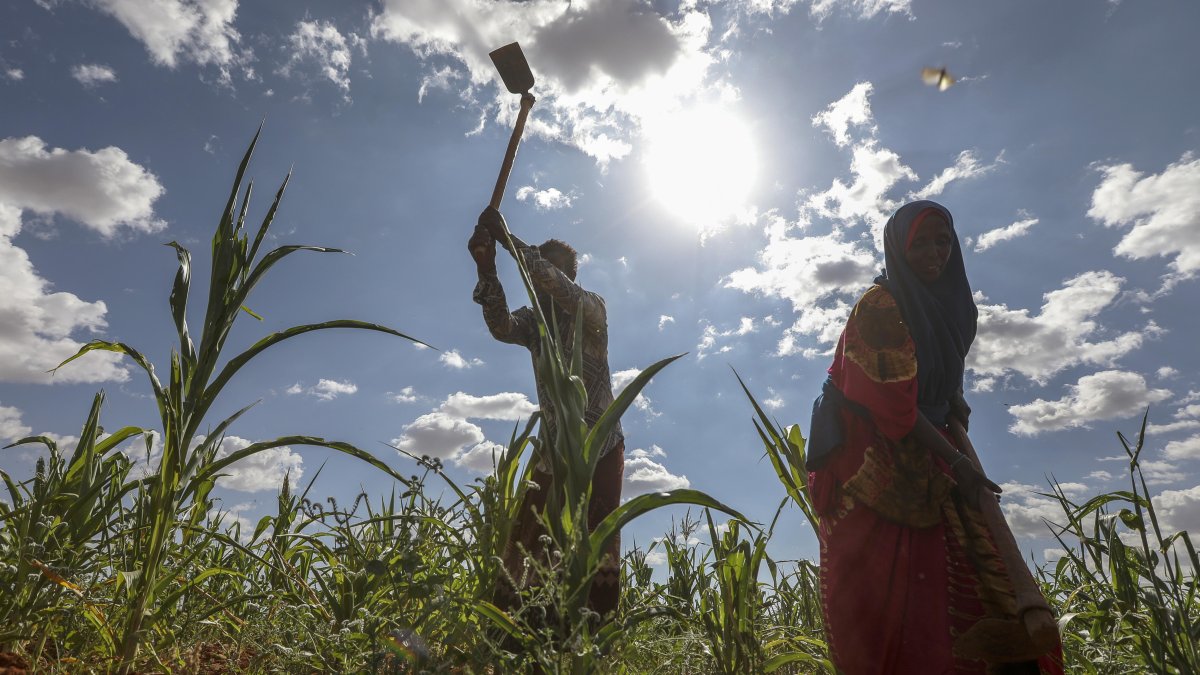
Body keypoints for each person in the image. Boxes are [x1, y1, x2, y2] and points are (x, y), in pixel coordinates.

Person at [807, 200, 1063, 674]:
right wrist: (960, 464)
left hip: (930, 446)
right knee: (892, 602)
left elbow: (941, 377)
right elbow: (895, 409)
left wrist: (954, 402)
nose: (934, 253)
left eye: (942, 241)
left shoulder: (955, 306)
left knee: (975, 569)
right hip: (872, 464)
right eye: (920, 243)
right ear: (899, 250)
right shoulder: (879, 306)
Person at [467, 206, 624, 618]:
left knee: (594, 535)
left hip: (599, 445)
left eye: (550, 269)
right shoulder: (535, 322)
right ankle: (521, 628)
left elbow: (552, 284)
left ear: (569, 275)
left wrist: (510, 241)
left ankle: (589, 629)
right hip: (553, 450)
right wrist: (488, 267)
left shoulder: (591, 310)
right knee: (529, 535)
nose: (541, 276)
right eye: (538, 266)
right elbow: (500, 326)